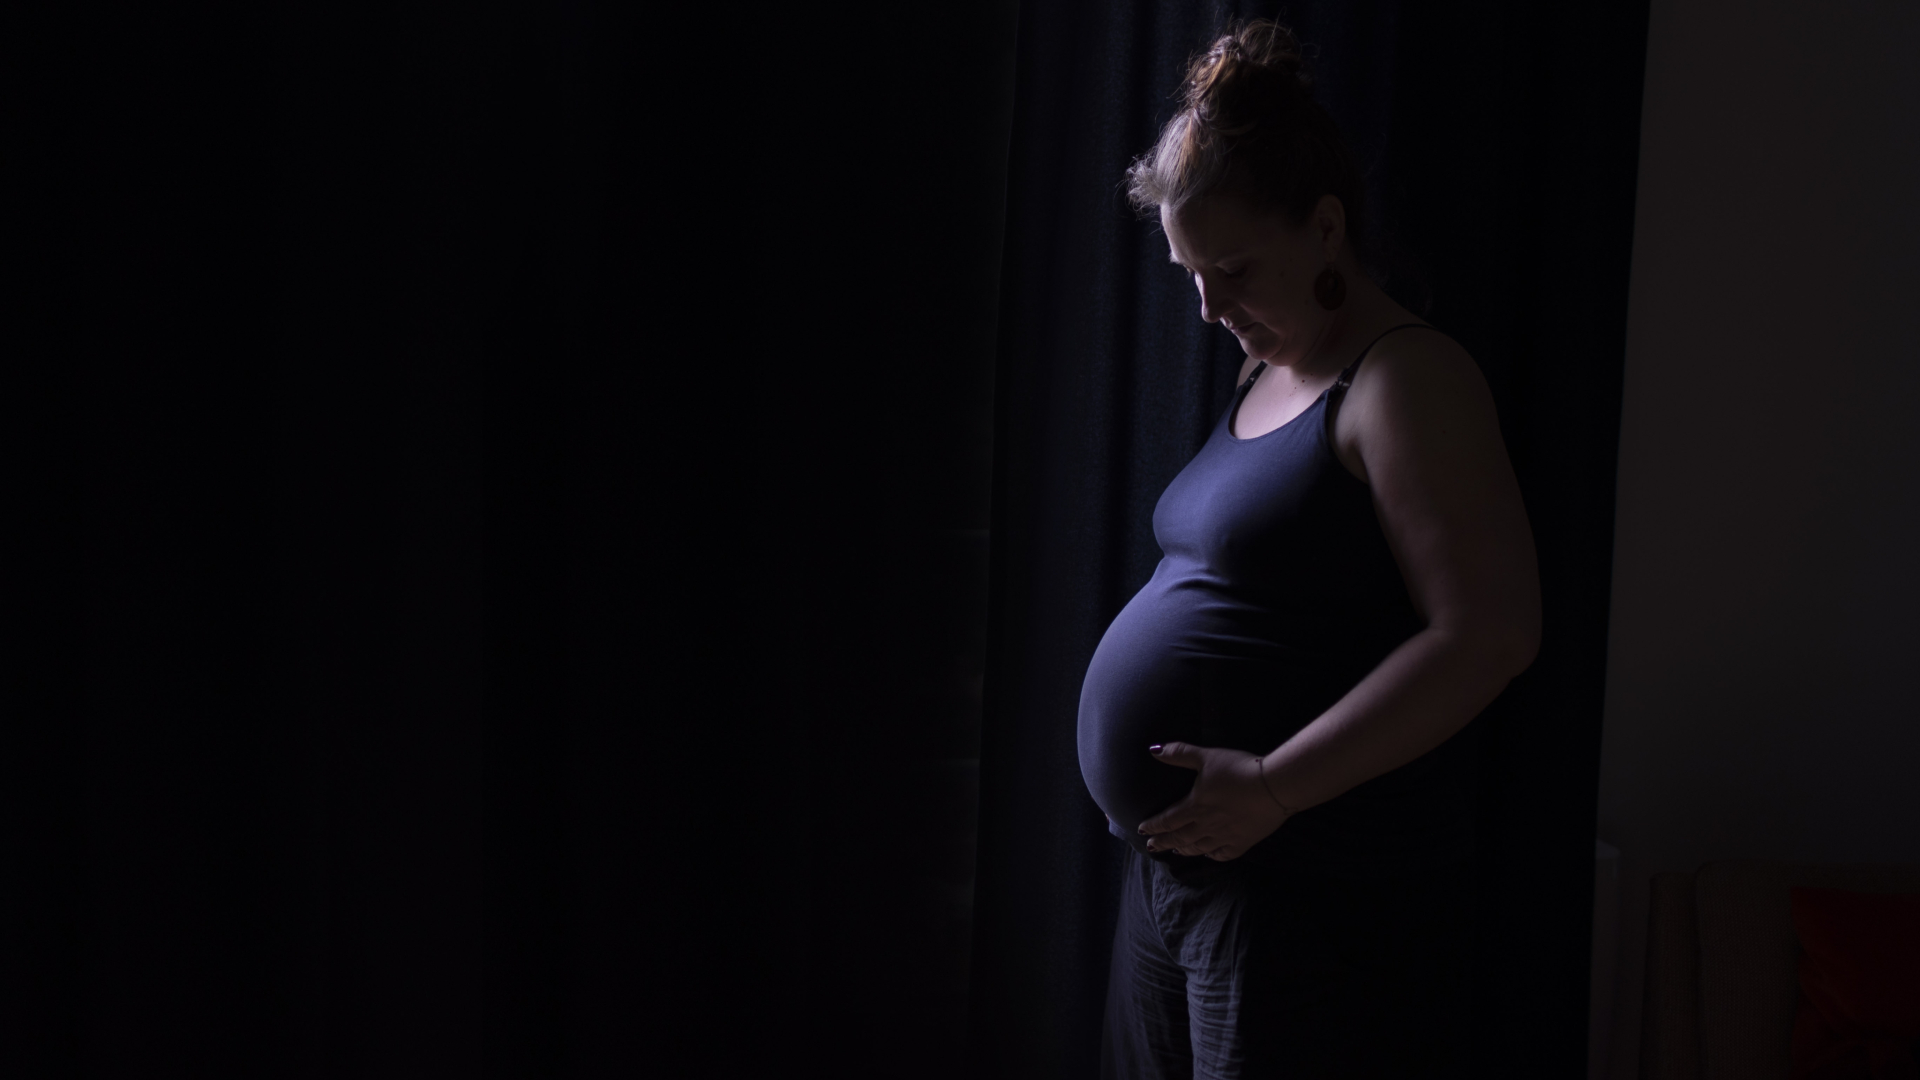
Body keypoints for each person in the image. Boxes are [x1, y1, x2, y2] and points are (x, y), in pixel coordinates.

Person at [1075, 19, 1542, 1079]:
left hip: (1291, 890)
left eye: (1232, 269)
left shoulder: (1404, 380)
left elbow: (1492, 633)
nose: (1208, 307)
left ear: (1326, 228)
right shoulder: (1265, 372)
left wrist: (1276, 785)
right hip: (1175, 882)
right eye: (1190, 273)